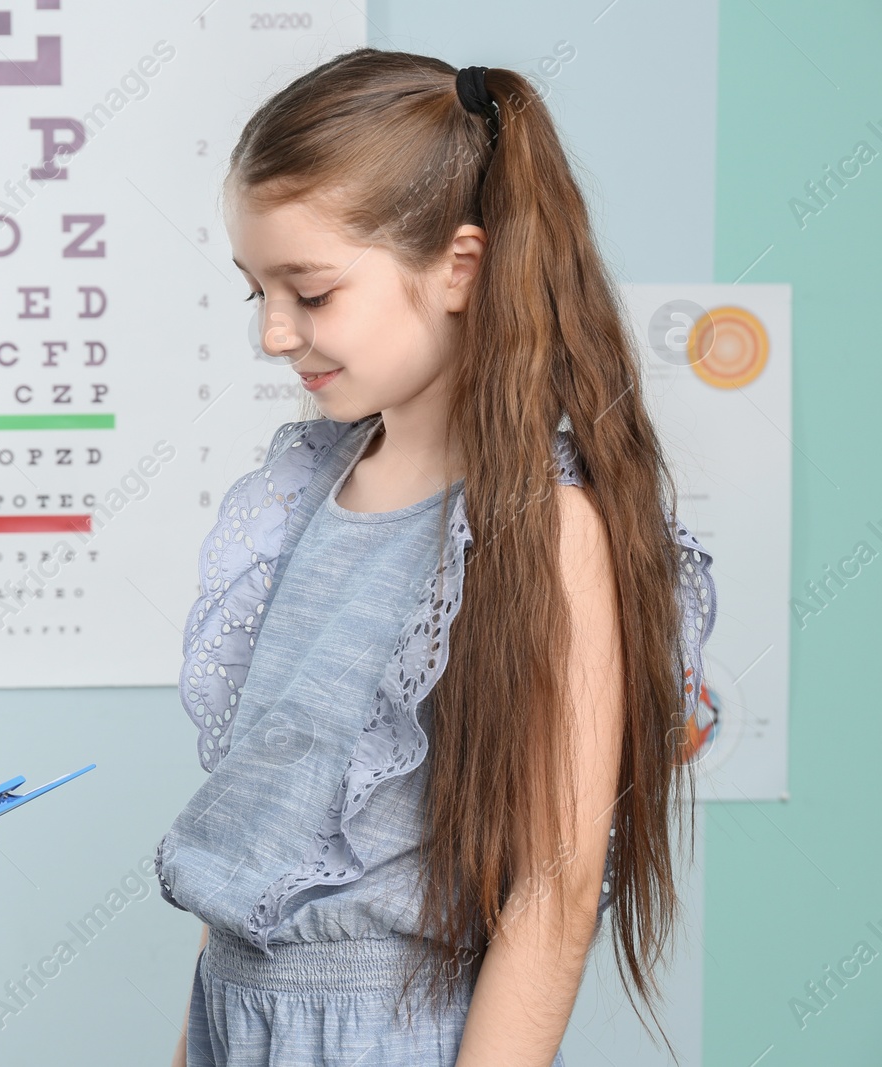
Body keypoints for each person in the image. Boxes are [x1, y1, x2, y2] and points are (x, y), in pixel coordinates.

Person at [155, 50, 718, 1067]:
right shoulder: (298, 497)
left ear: (459, 266)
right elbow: (259, 851)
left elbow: (550, 898)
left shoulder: (543, 530)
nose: (275, 334)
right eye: (256, 295)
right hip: (236, 1017)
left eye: (311, 292)